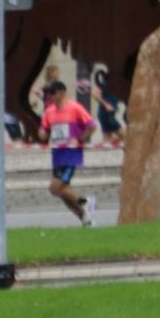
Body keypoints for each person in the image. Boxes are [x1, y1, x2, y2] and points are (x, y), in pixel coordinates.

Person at [40, 80, 98, 224]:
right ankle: (84, 217)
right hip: (57, 155)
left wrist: (80, 139)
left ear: (62, 93)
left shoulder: (75, 108)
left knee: (56, 187)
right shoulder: (49, 111)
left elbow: (91, 125)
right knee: (60, 191)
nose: (51, 97)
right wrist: (42, 133)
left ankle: (85, 202)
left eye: (53, 94)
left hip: (71, 155)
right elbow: (44, 129)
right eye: (49, 94)